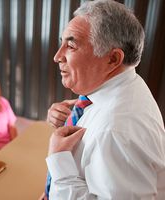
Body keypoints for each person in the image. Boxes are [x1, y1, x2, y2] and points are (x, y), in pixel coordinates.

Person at [41, 0, 165, 199]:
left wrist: (59, 163)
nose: (57, 56)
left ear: (113, 59)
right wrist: (75, 115)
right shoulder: (126, 85)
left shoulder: (116, 130)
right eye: (61, 43)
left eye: (71, 46)